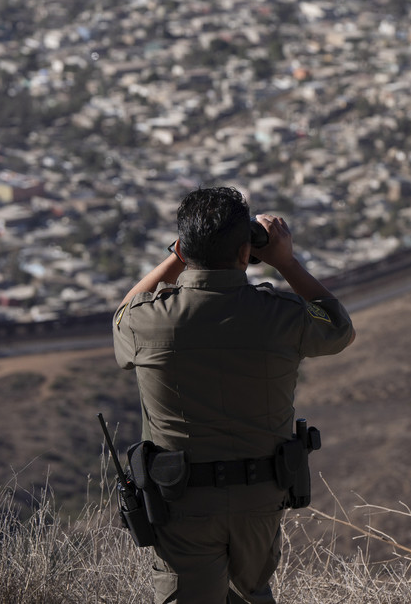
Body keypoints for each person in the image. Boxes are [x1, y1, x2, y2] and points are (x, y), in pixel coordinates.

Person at [112, 186, 355, 603]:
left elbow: (123, 311)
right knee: (252, 591)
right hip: (260, 498)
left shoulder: (147, 324)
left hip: (181, 501)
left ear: (186, 248)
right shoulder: (281, 315)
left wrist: (178, 254)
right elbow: (338, 327)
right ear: (246, 253)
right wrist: (285, 261)